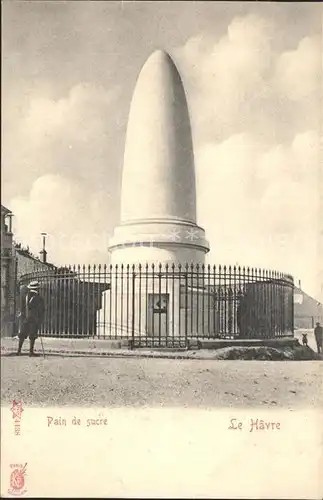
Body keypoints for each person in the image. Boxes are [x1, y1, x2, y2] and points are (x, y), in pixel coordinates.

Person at [17, 281, 45, 356]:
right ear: (37, 288)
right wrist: (40, 319)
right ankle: (31, 352)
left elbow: (21, 306)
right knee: (32, 335)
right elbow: (41, 310)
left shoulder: (25, 295)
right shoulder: (39, 298)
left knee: (22, 334)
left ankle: (19, 351)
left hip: (24, 318)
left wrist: (21, 314)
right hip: (33, 319)